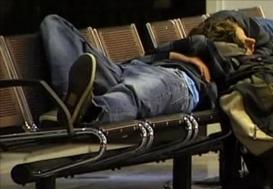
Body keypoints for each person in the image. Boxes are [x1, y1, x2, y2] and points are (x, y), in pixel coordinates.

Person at [40, 14, 216, 125]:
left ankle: (92, 111)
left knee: (135, 92)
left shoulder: (226, 63)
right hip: (128, 69)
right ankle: (69, 103)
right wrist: (181, 56)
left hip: (178, 81)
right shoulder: (201, 43)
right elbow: (153, 52)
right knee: (53, 23)